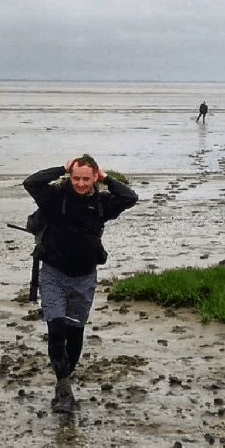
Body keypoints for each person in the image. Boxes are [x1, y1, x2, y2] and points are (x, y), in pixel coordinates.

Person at [23, 155, 139, 413]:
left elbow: (130, 198)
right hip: (53, 274)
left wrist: (107, 178)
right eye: (76, 178)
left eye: (86, 178)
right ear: (70, 175)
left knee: (75, 334)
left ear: (94, 177)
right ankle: (64, 389)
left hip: (85, 277)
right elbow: (31, 182)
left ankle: (64, 382)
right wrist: (61, 169)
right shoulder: (54, 198)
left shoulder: (102, 203)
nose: (81, 183)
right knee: (56, 332)